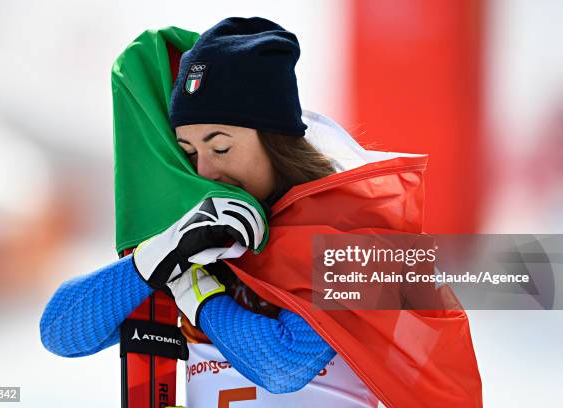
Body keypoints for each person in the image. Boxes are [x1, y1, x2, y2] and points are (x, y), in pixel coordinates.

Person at [40, 17, 382, 407]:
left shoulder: (361, 231)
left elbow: (284, 366)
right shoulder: (201, 237)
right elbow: (60, 333)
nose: (204, 171)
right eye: (189, 153)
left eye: (220, 148)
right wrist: (155, 260)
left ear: (276, 140)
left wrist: (197, 294)